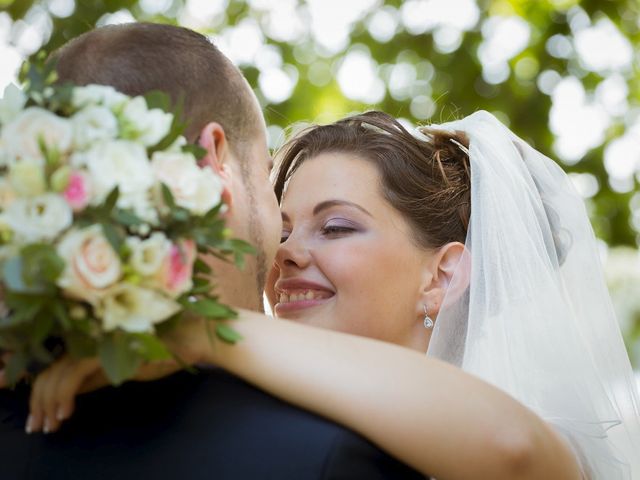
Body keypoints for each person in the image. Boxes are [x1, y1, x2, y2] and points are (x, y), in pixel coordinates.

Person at [24, 111, 640, 478]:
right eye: (283, 229)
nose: (287, 252)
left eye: (337, 226)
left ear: (442, 276)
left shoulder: (546, 437)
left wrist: (204, 328)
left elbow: (511, 452)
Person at [0, 24, 425, 480]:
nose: (288, 252)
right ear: (215, 159)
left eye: (337, 227)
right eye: (264, 176)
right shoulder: (331, 453)